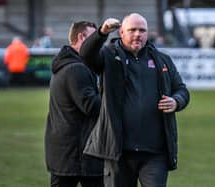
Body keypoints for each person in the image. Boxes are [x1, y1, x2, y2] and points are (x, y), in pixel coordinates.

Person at [80, 13, 190, 187]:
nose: (138, 34)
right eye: (132, 30)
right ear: (121, 32)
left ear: (147, 33)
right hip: (119, 152)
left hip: (155, 152)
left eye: (142, 30)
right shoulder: (109, 55)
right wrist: (101, 33)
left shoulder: (162, 60)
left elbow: (182, 90)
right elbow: (85, 54)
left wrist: (176, 101)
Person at [45, 21, 104, 187]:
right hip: (78, 155)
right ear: (81, 37)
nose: (98, 44)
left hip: (64, 153)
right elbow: (92, 106)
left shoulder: (64, 65)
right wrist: (112, 94)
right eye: (94, 39)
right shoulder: (76, 69)